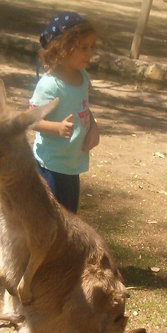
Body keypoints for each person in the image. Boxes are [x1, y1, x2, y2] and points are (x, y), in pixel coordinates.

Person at [29, 12, 100, 213]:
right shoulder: (50, 85)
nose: (90, 54)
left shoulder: (83, 78)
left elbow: (84, 107)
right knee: (48, 217)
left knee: (69, 217)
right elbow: (31, 120)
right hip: (50, 165)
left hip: (72, 163)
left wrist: (93, 128)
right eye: (83, 48)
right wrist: (56, 127)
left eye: (92, 47)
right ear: (63, 48)